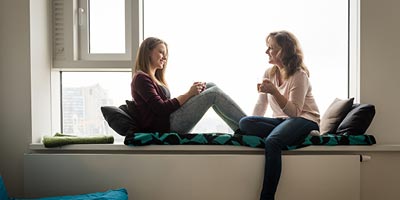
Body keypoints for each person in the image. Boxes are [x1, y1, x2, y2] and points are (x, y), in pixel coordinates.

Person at [238, 31, 320, 200]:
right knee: (245, 123)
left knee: (273, 141)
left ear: (283, 50)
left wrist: (274, 91)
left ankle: (267, 197)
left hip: (305, 119)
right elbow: (261, 104)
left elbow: (295, 112)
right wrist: (250, 126)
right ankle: (293, 136)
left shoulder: (299, 75)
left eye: (271, 48)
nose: (266, 52)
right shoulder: (270, 73)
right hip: (282, 121)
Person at [131, 37, 246, 134]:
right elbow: (160, 108)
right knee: (214, 93)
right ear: (148, 52)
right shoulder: (141, 78)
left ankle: (240, 130)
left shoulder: (154, 79)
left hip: (169, 121)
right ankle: (252, 125)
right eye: (161, 52)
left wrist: (192, 94)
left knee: (210, 86)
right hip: (166, 126)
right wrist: (189, 94)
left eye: (165, 54)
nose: (165, 58)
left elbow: (166, 107)